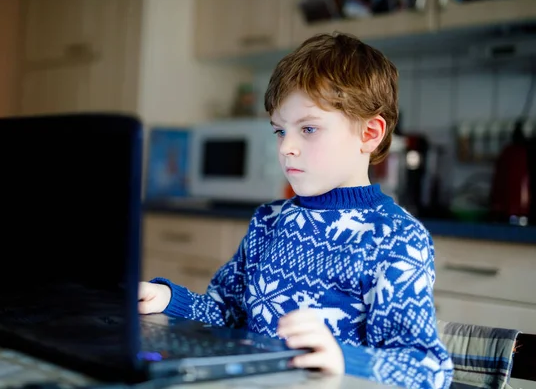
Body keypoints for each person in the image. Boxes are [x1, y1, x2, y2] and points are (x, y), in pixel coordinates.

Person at [138, 32, 454, 389]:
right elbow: (227, 313)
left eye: (308, 129)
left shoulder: (396, 239)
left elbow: (428, 370)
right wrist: (170, 299)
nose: (286, 147)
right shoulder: (269, 222)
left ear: (370, 133)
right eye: (279, 131)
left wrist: (343, 359)